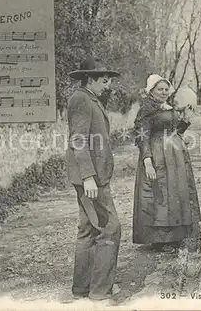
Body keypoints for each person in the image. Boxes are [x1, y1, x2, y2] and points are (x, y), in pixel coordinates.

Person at [65, 57, 122, 301]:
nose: (107, 85)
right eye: (104, 80)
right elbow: (78, 140)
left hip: (93, 176)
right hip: (91, 179)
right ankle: (100, 291)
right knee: (110, 228)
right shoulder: (81, 99)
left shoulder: (90, 99)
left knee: (88, 229)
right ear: (90, 79)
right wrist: (88, 177)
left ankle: (82, 288)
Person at [132, 74, 201, 254]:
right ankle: (160, 239)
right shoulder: (146, 109)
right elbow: (142, 137)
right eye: (159, 89)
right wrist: (147, 161)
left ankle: (175, 236)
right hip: (157, 155)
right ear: (151, 91)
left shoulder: (168, 108)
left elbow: (175, 132)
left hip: (175, 156)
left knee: (175, 194)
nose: (164, 92)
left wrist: (185, 119)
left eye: (166, 89)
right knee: (160, 195)